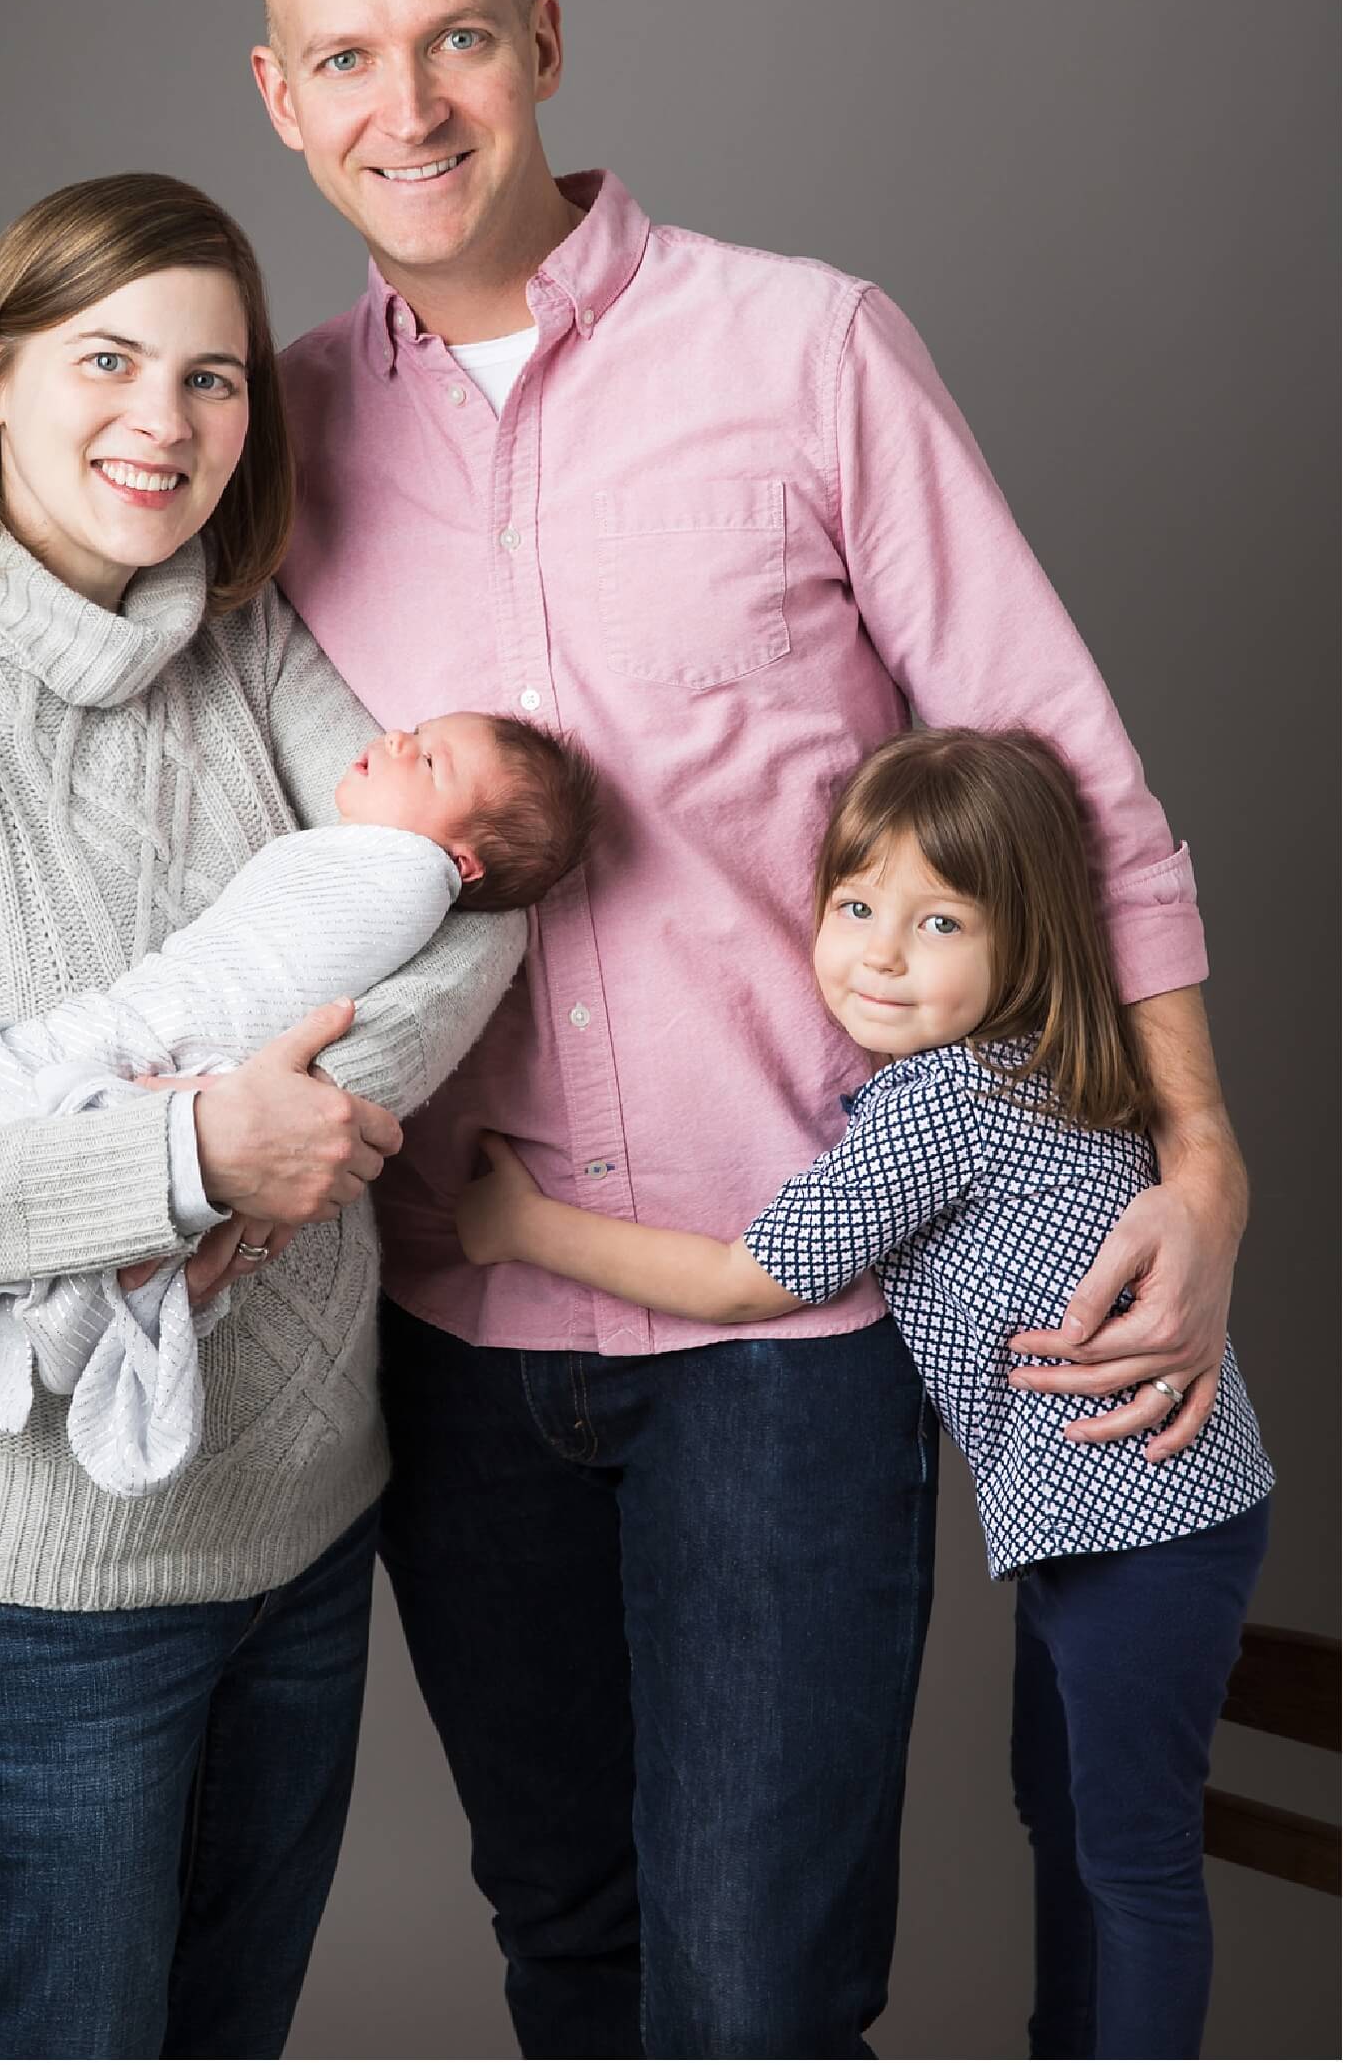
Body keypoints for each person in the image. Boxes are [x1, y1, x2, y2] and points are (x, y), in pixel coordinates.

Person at [0, 0, 1250, 2059]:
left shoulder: (804, 350)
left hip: (780, 1325)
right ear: (278, 95)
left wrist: (1198, 1165)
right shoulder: (269, 430)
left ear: (539, 44)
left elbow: (1073, 780)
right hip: (440, 1337)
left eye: (448, 39)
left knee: (758, 1997)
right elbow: (99, 721)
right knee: (569, 1952)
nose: (404, 104)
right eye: (345, 56)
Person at [0, 170, 527, 2060]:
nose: (163, 424)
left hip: (309, 1537)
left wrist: (291, 1119)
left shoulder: (251, 645)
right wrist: (186, 1160)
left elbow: (471, 896)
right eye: (107, 359)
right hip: (33, 1601)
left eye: (217, 378)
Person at [457, 725, 1273, 2061]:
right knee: (1071, 1822)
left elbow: (741, 1279)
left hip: (1148, 1521)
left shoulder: (946, 1103)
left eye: (940, 917)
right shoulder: (1034, 1073)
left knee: (1123, 1851)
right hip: (1138, 1518)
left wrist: (520, 1225)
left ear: (1029, 943)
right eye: (856, 905)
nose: (883, 950)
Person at [0, 710, 597, 1498]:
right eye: (414, 731)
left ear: (459, 864)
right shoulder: (379, 856)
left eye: (428, 763)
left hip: (170, 1050)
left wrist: (228, 1117)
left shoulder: (400, 876)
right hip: (175, 1068)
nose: (397, 740)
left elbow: (263, 986)